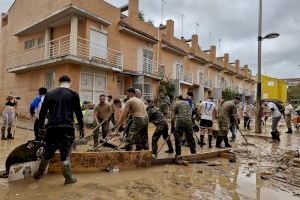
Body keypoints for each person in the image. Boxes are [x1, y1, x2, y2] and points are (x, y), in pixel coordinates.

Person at [34, 75, 84, 185]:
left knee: (48, 151)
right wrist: (81, 127)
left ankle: (40, 173)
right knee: (65, 153)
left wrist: (41, 126)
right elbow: (78, 113)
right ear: (69, 82)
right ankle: (68, 178)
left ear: (59, 82)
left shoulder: (49, 94)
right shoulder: (73, 94)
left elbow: (42, 112)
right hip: (67, 128)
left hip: (52, 127)